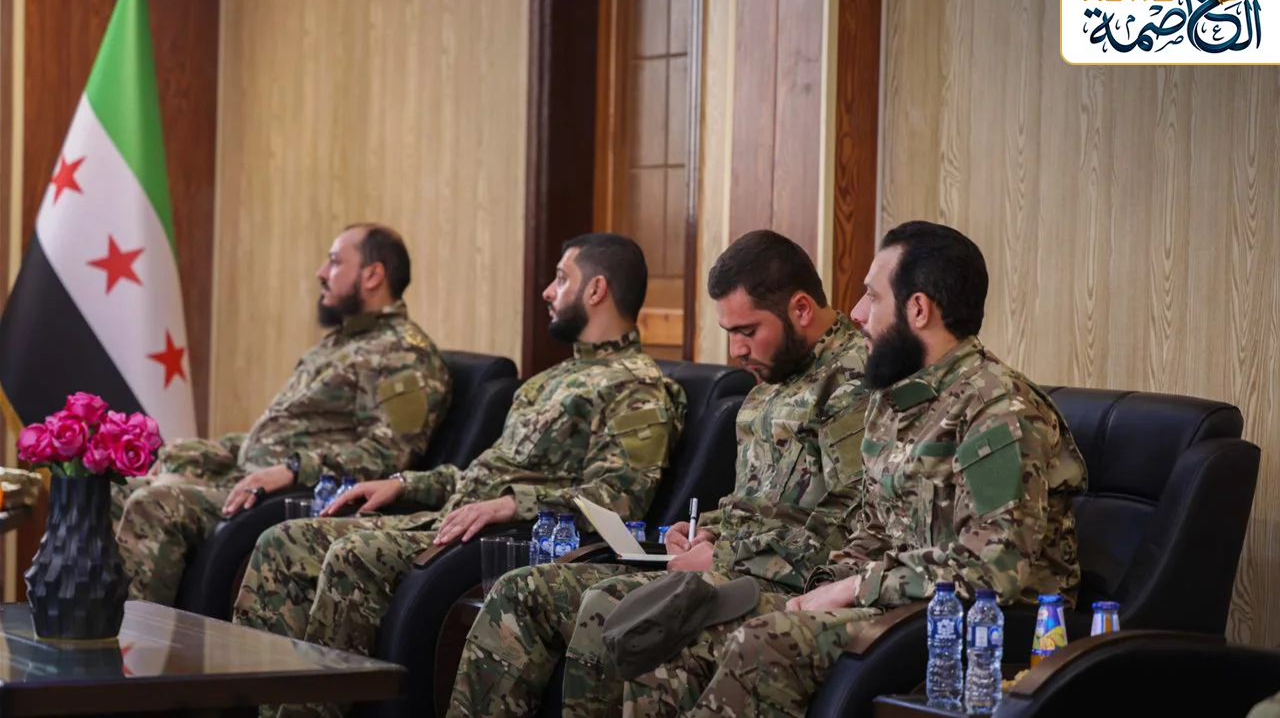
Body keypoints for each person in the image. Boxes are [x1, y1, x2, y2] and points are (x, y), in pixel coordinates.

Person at [617, 220, 1090, 718]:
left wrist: (855, 587)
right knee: (678, 627)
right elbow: (872, 533)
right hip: (889, 607)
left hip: (975, 628)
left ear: (918, 309)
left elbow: (994, 568)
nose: (858, 313)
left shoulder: (999, 411)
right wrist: (818, 587)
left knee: (767, 640)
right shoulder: (896, 401)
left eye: (872, 296)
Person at [232, 232, 687, 718]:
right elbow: (481, 475)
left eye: (561, 279)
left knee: (353, 554)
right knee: (286, 540)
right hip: (451, 521)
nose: (547, 292)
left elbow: (619, 499)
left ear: (595, 290)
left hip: (508, 543)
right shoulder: (550, 380)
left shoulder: (638, 388)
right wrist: (405, 483)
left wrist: (512, 505)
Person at [446, 229, 872, 718]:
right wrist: (704, 530)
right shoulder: (771, 376)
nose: (736, 349)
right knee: (521, 590)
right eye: (729, 332)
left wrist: (723, 552)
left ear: (800, 309)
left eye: (747, 331)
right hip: (727, 564)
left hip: (781, 585)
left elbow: (847, 528)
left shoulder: (852, 383)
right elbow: (757, 503)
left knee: (614, 606)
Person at [111, 223, 451, 606]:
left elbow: (391, 454)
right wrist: (191, 452)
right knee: (117, 488)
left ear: (373, 275)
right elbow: (282, 435)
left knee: (155, 502)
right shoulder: (340, 343)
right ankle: (90, 632)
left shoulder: (404, 354)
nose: (321, 272)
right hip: (248, 480)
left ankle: (134, 639)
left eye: (335, 262)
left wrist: (296, 469)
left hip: (300, 498)